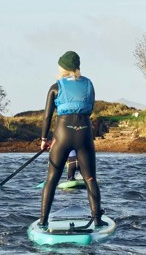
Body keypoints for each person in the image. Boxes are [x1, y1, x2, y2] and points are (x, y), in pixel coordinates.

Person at [37, 51, 102, 226]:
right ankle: (97, 220)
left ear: (63, 68)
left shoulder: (56, 86)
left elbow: (47, 116)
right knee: (90, 179)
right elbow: (89, 108)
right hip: (84, 133)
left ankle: (43, 222)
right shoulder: (89, 84)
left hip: (62, 134)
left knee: (52, 179)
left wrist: (44, 139)